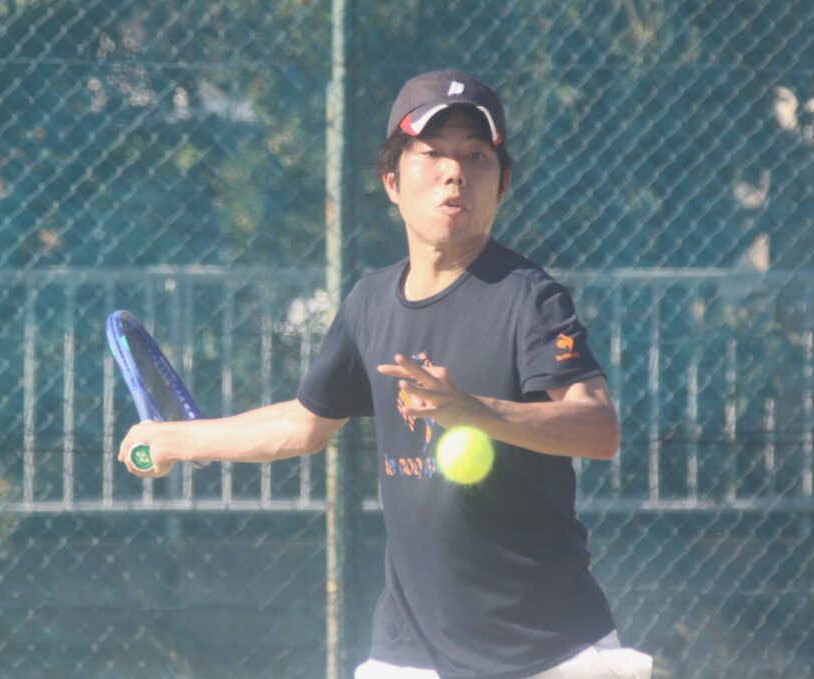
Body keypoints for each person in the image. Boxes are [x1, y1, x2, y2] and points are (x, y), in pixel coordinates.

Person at [119, 69, 651, 679]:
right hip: (411, 650)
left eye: (476, 156)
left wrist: (478, 412)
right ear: (392, 182)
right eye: (432, 153)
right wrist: (175, 440)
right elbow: (301, 425)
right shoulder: (369, 305)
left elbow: (597, 427)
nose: (454, 172)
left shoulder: (531, 298)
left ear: (502, 185)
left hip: (549, 650)